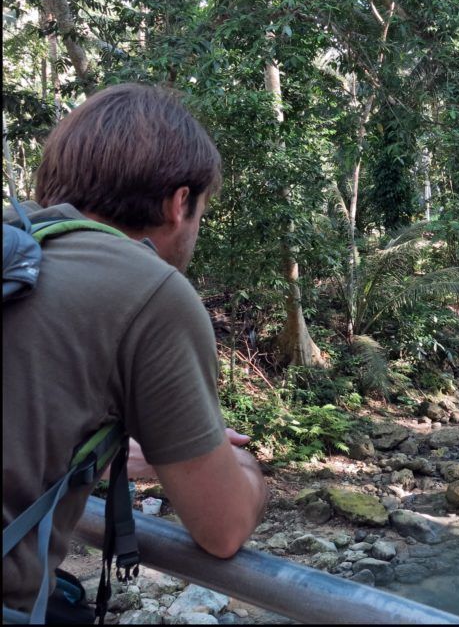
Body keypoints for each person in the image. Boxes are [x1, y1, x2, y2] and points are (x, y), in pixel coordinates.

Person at [3, 82, 268, 618]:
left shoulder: (17, 245)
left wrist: (105, 458)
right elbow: (222, 527)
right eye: (201, 212)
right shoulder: (150, 291)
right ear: (179, 203)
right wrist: (241, 466)